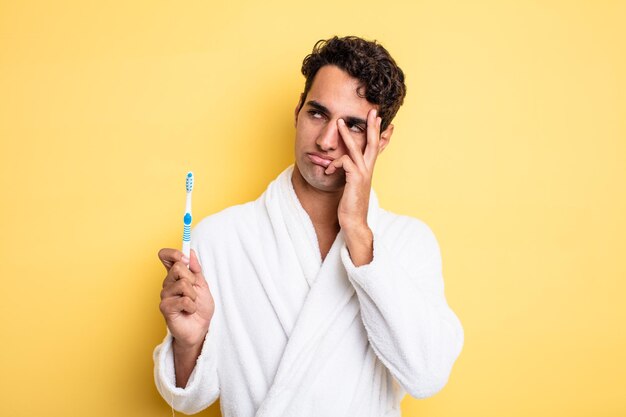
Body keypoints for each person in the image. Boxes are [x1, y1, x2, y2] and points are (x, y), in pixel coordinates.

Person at [153, 36, 464, 417]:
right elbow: (189, 399)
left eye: (352, 125)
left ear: (381, 139)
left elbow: (428, 375)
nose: (327, 140)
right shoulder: (220, 239)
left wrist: (360, 237)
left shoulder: (408, 243)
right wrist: (188, 344)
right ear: (297, 111)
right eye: (317, 113)